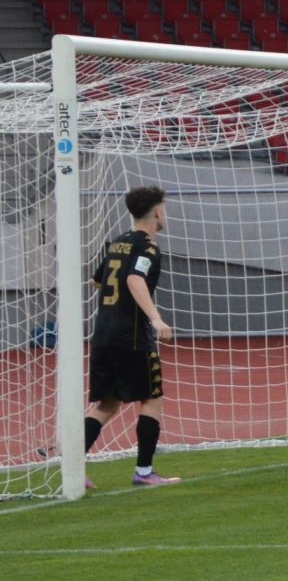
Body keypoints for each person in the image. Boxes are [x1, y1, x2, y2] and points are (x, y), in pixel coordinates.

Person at [83, 185, 179, 487]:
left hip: (103, 333)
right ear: (157, 212)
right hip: (132, 335)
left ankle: (72, 468)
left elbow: (97, 281)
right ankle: (144, 472)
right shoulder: (147, 247)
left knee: (107, 403)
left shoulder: (119, 243)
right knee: (151, 398)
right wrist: (155, 318)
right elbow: (135, 279)